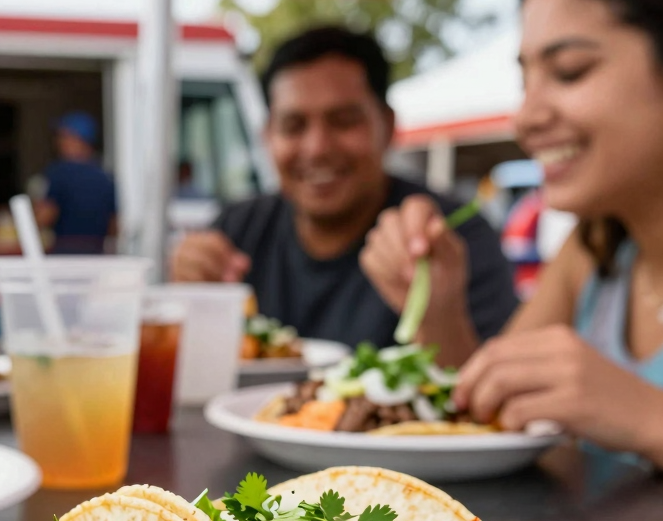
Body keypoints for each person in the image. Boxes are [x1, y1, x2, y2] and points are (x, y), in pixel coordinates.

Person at [394, 0, 663, 466]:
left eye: (569, 71)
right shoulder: (594, 251)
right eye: (525, 81)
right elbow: (483, 414)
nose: (524, 119)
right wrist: (439, 305)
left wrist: (650, 418)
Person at [169, 27, 517, 365]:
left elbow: (489, 385)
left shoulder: (449, 239)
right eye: (293, 126)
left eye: (343, 121)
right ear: (268, 137)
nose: (317, 148)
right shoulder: (236, 232)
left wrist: (438, 312)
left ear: (388, 125)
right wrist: (187, 294)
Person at [36, 112, 117, 254]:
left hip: (66, 255)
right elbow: (114, 226)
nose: (58, 142)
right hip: (98, 255)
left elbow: (45, 217)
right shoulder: (105, 176)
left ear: (77, 139)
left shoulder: (60, 172)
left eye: (63, 137)